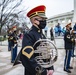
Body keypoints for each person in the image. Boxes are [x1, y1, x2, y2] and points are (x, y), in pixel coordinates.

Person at [20, 5, 54, 75]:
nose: (44, 21)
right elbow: (28, 58)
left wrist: (50, 67)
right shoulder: (29, 35)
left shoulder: (42, 34)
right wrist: (42, 71)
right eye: (42, 19)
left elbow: (46, 53)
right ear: (35, 20)